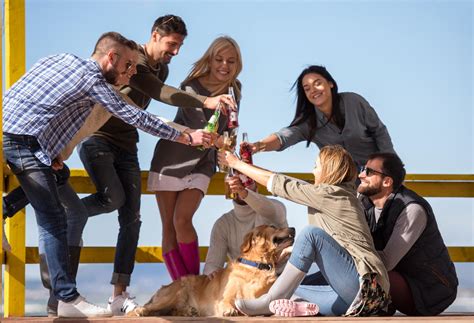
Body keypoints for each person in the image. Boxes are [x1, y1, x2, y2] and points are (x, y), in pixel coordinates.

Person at [2, 31, 212, 318]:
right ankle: (66, 298)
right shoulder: (94, 82)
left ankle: (4, 209)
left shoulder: (61, 59)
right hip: (23, 142)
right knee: (53, 220)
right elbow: (136, 116)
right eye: (127, 66)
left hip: (22, 137)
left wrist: (48, 151)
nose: (131, 74)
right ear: (110, 57)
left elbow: (34, 101)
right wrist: (188, 137)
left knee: (59, 184)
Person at [76, 16, 235, 315]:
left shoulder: (163, 67)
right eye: (172, 44)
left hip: (127, 144)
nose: (175, 51)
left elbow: (156, 92)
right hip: (99, 138)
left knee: (132, 218)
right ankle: (67, 215)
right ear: (155, 36)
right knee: (113, 199)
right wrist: (206, 101)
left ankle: (119, 295)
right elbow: (159, 92)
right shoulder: (131, 57)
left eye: (179, 46)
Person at [218, 145, 391, 317]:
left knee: (310, 235)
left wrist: (238, 164)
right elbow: (281, 179)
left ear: (329, 170)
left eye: (316, 166)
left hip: (366, 286)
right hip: (360, 300)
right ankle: (301, 307)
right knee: (288, 286)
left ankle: (269, 300)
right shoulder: (337, 195)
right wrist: (294, 250)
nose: (313, 170)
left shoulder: (331, 194)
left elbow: (280, 183)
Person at [146, 36, 243, 280]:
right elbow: (206, 131)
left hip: (201, 164)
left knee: (182, 219)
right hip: (171, 160)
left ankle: (194, 286)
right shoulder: (190, 86)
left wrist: (229, 149)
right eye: (219, 59)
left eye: (231, 61)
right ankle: (184, 291)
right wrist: (224, 142)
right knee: (168, 229)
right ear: (209, 60)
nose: (225, 65)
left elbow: (230, 129)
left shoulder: (235, 90)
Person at [357, 152, 458, 315]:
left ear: (387, 181)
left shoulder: (411, 209)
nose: (361, 175)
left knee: (360, 268)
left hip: (429, 291)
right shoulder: (363, 201)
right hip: (398, 277)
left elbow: (385, 263)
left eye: (369, 172)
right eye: (362, 169)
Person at [244, 65, 395, 168]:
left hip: (377, 176)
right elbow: (283, 137)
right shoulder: (309, 122)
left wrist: (390, 165)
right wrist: (258, 146)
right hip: (345, 188)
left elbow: (379, 131)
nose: (313, 90)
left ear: (330, 83)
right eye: (307, 88)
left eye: (317, 83)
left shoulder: (353, 101)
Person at [203, 174, 287, 277]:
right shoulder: (223, 224)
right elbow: (213, 265)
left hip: (280, 279)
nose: (241, 183)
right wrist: (212, 276)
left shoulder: (274, 208)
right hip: (244, 283)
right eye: (236, 180)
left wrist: (244, 192)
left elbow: (270, 209)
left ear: (257, 186)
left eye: (247, 180)